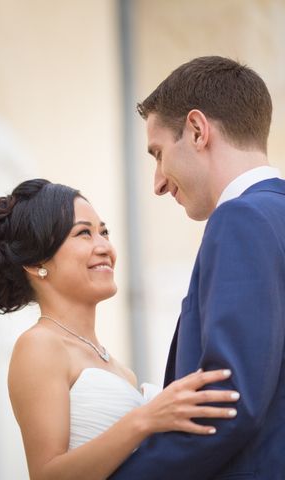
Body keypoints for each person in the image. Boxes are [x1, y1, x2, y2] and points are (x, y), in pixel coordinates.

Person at [0, 178, 239, 480]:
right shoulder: (40, 345)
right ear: (35, 262)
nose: (105, 247)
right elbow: (47, 474)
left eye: (104, 232)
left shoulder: (119, 369)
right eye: (84, 233)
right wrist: (146, 418)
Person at [109, 57, 285, 479]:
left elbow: (226, 404)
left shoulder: (240, 219)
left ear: (197, 130)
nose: (157, 182)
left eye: (158, 153)